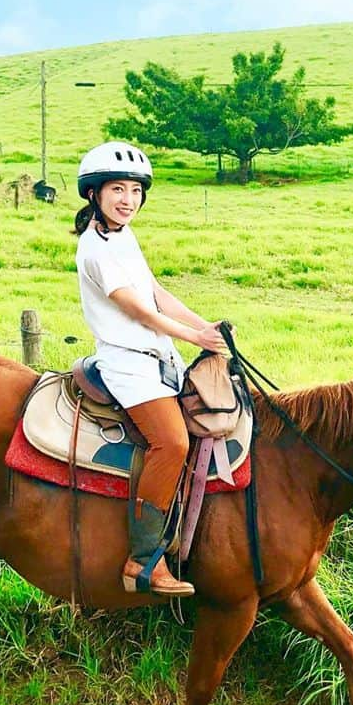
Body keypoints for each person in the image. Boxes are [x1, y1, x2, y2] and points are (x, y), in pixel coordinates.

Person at [74, 142, 226, 598]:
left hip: (158, 359)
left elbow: (155, 291)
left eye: (135, 190)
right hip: (127, 363)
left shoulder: (123, 236)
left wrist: (206, 325)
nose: (128, 199)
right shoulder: (94, 250)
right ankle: (142, 560)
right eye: (117, 189)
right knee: (172, 441)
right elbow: (139, 311)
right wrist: (194, 338)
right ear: (94, 194)